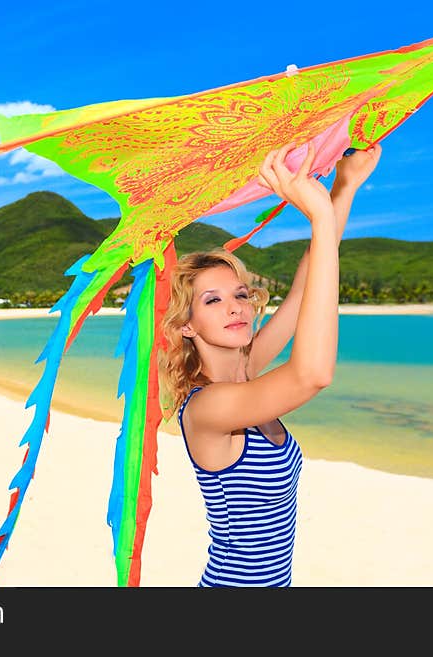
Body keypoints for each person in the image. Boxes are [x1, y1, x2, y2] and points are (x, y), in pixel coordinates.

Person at [159, 140, 382, 587]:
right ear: (186, 325)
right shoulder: (208, 410)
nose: (236, 307)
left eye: (240, 294)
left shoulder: (246, 370)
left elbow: (302, 291)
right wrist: (317, 218)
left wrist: (346, 184)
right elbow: (311, 374)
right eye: (213, 300)